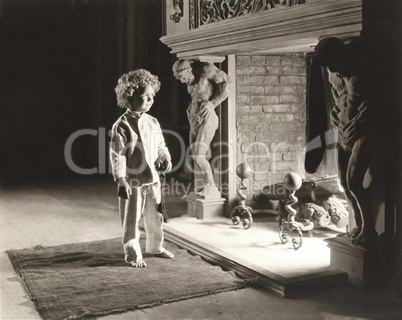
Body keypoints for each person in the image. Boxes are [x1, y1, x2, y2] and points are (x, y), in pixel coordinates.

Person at [314, 37, 380, 246]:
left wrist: (360, 120)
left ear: (340, 53)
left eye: (333, 62)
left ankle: (370, 229)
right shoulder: (332, 70)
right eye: (328, 66)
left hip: (364, 130)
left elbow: (380, 102)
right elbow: (336, 97)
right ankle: (359, 225)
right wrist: (334, 114)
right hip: (341, 130)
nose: (332, 68)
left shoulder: (362, 68)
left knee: (354, 181)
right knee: (343, 182)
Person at [110, 69, 174, 267]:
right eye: (144, 97)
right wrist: (121, 180)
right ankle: (132, 253)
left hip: (153, 177)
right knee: (132, 218)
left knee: (155, 216)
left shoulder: (152, 122)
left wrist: (165, 156)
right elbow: (118, 155)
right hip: (133, 180)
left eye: (151, 96)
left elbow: (161, 144)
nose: (149, 100)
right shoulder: (121, 126)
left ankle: (155, 246)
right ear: (128, 97)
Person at [172, 59, 230, 198]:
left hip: (207, 119)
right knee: (196, 154)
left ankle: (212, 186)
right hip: (194, 119)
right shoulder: (190, 82)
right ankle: (206, 184)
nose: (182, 81)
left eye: (183, 77)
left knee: (198, 155)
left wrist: (213, 103)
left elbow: (228, 85)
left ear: (189, 70)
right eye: (179, 78)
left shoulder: (206, 70)